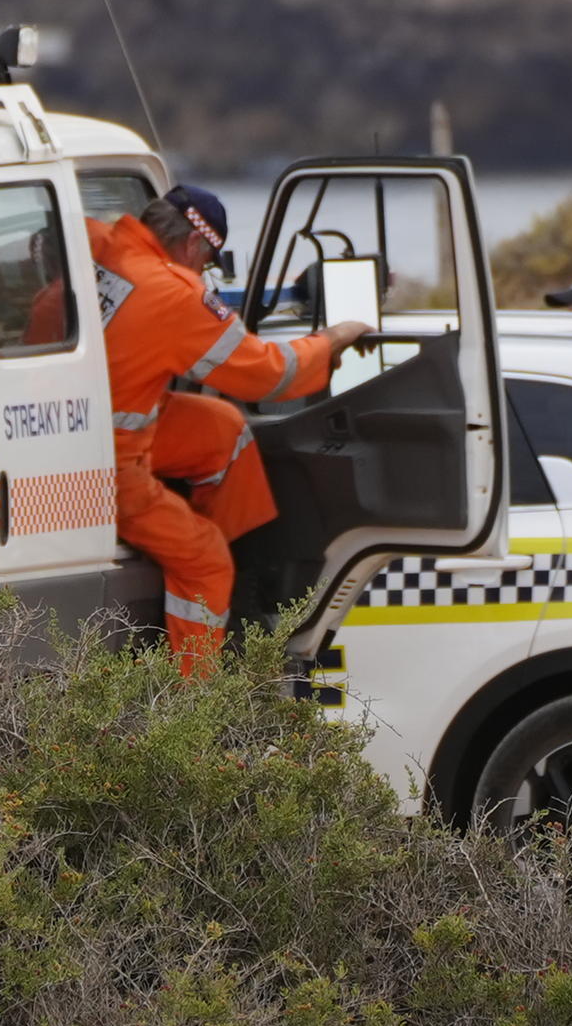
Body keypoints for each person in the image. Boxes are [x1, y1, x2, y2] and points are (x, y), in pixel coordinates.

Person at [92, 187, 368, 673]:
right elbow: (267, 373)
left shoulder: (97, 246)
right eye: (207, 263)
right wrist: (331, 341)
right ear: (194, 247)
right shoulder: (173, 293)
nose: (202, 273)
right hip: (107, 468)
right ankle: (192, 702)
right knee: (205, 560)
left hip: (82, 428)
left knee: (224, 428)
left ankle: (241, 590)